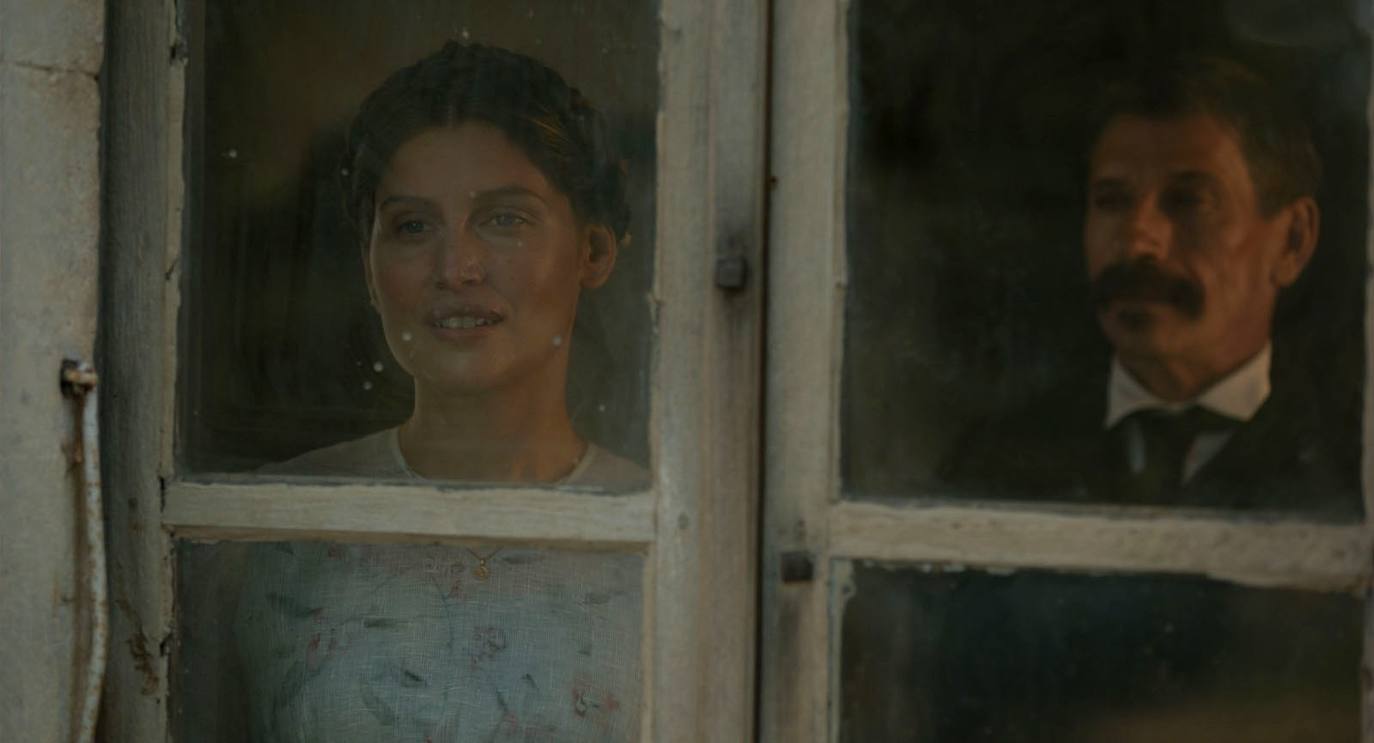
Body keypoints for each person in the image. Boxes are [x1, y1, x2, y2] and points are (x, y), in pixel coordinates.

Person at [186, 42, 647, 742]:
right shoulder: (259, 535)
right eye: (411, 226)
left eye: (504, 219)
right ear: (370, 271)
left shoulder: (663, 542)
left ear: (594, 250)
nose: (455, 267)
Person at [942, 54, 1360, 516]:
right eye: (1112, 201)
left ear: (1292, 242)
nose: (1138, 240)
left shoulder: (1352, 464)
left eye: (1189, 201)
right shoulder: (995, 462)